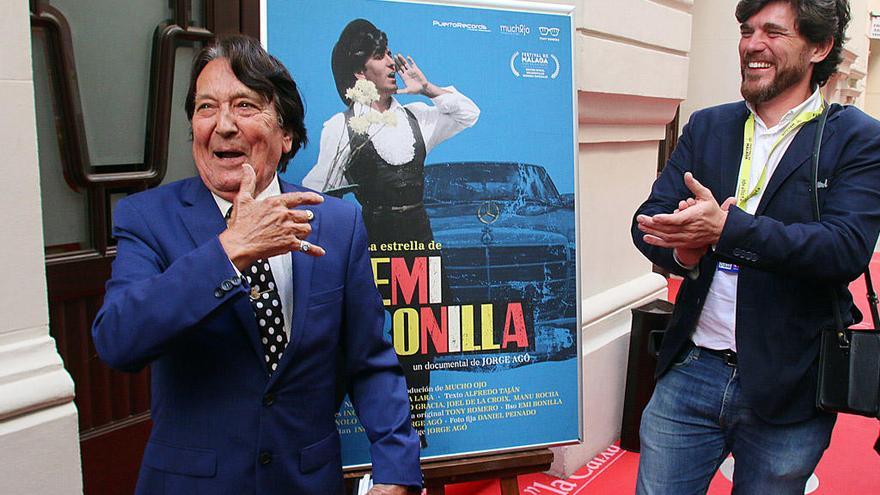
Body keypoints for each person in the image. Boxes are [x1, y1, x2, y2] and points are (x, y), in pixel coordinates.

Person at [91, 35, 421, 495]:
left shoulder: (338, 223)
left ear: (285, 134)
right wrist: (229, 250)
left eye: (244, 105)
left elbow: (370, 360)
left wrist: (396, 470)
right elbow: (118, 340)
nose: (223, 125)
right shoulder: (147, 219)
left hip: (306, 481)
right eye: (207, 108)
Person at [632, 0, 880, 493]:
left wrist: (726, 232)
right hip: (690, 370)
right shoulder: (708, 126)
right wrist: (685, 253)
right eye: (747, 31)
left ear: (820, 47)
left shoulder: (857, 139)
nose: (752, 45)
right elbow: (647, 222)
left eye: (773, 31)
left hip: (792, 383)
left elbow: (843, 249)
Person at [303, 18, 479, 446]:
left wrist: (430, 88)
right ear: (360, 72)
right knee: (369, 339)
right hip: (374, 248)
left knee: (421, 340)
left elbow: (469, 114)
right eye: (380, 55)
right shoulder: (340, 129)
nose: (391, 61)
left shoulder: (419, 117)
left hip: (419, 244)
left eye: (388, 51)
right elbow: (313, 192)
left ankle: (413, 434)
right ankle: (365, 438)